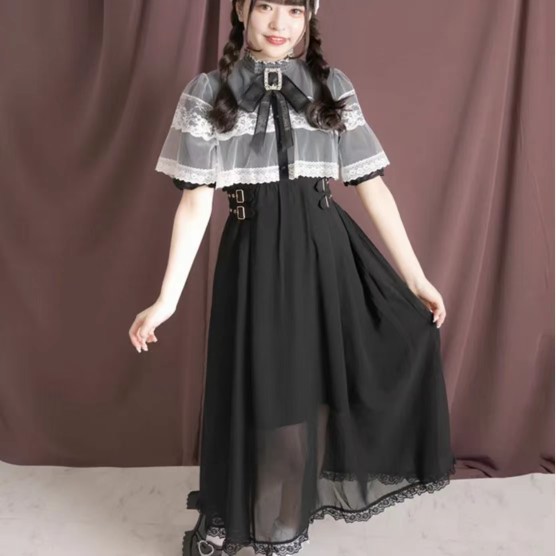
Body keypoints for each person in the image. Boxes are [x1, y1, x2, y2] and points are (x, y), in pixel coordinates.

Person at [129, 1, 456, 554]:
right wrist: (167, 300)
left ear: (310, 17)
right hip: (255, 260)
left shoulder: (332, 87)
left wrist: (417, 278)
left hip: (326, 254)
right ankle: (246, 521)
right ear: (241, 9)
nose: (280, 24)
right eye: (265, 6)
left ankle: (282, 531)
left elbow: (372, 187)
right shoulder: (208, 93)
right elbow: (195, 205)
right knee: (268, 401)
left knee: (310, 397)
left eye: (294, 10)